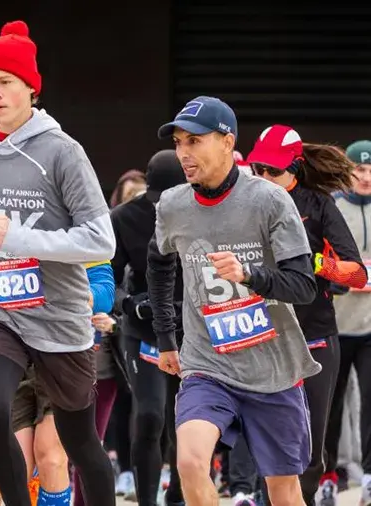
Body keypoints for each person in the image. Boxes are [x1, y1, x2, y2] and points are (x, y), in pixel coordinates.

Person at [0, 20, 116, 506]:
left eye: (5, 82)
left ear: (31, 87)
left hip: (58, 316)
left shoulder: (62, 152)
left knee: (80, 442)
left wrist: (22, 238)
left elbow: (99, 238)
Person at [147, 95, 321, 506]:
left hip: (272, 367)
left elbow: (303, 285)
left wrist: (249, 274)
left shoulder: (268, 199)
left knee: (283, 491)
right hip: (208, 363)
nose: (184, 153)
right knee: (189, 462)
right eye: (178, 143)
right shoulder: (173, 205)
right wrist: (167, 339)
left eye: (195, 141)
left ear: (227, 141)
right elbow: (159, 266)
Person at [244, 125, 366, 506]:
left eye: (273, 171)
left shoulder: (318, 205)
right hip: (260, 332)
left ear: (295, 167)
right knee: (267, 440)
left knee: (309, 448)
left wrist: (311, 261)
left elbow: (355, 273)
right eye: (257, 169)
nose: (264, 178)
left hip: (314, 334)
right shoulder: (244, 201)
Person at [111, 149, 188, 506]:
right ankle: (146, 500)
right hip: (143, 329)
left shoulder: (201, 212)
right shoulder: (125, 217)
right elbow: (105, 280)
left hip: (190, 330)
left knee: (185, 420)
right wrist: (129, 303)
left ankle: (177, 495)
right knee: (150, 414)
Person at [11, 260, 116, 506]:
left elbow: (105, 292)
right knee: (19, 464)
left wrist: (68, 296)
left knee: (50, 456)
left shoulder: (75, 223)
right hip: (12, 351)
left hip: (63, 351)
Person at [325, 139, 371, 506]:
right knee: (331, 402)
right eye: (358, 168)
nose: (365, 176)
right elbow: (318, 258)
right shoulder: (334, 207)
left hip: (370, 326)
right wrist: (342, 276)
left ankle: (369, 475)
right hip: (336, 324)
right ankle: (328, 475)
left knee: (370, 401)